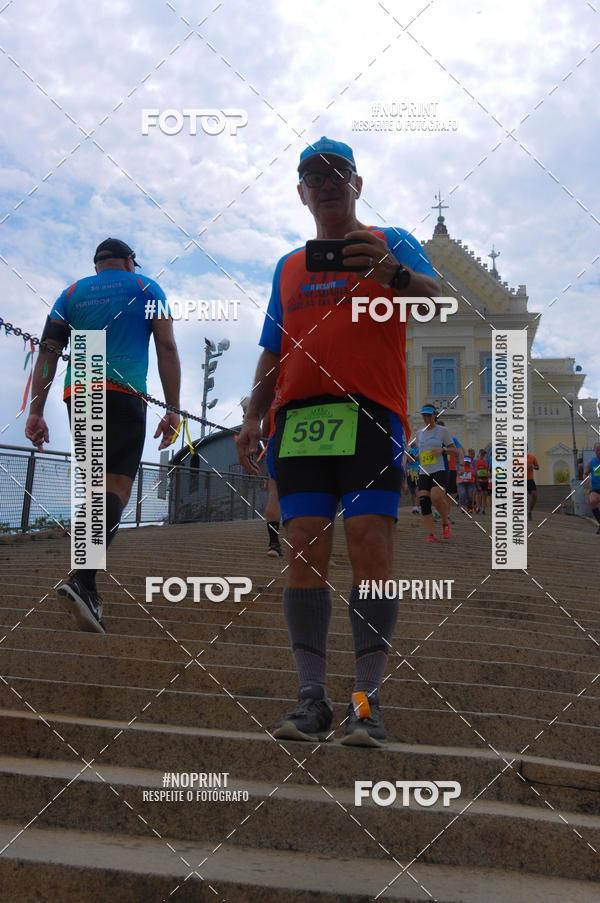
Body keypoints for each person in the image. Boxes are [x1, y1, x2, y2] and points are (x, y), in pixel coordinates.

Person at [236, 136, 440, 747]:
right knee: (302, 546)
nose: (326, 183)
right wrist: (253, 415)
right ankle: (310, 700)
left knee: (369, 541)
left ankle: (365, 703)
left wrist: (392, 274)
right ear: (300, 192)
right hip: (297, 422)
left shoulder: (392, 240)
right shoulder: (289, 266)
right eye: (312, 176)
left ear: (357, 183)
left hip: (372, 416)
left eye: (338, 173)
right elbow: (274, 349)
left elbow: (437, 306)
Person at [25, 238, 181, 633]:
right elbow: (165, 345)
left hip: (80, 390)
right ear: (130, 262)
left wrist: (36, 411)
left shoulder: (72, 293)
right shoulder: (146, 287)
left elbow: (47, 351)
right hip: (125, 392)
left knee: (95, 490)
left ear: (97, 266)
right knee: (114, 489)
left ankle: (85, 584)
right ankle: (83, 580)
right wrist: (173, 408)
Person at [415, 404, 456, 542]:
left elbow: (454, 450)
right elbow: (422, 452)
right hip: (424, 471)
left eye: (429, 415)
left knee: (436, 497)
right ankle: (431, 534)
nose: (426, 418)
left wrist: (442, 450)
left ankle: (445, 522)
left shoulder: (442, 431)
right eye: (424, 415)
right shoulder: (419, 433)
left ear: (435, 415)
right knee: (424, 501)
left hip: (440, 469)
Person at [584, 442, 600, 534]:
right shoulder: (592, 462)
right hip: (596, 488)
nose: (599, 452)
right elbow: (586, 472)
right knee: (592, 501)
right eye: (597, 450)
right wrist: (586, 479)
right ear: (595, 451)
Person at [404, 444, 420, 513]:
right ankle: (415, 507)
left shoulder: (409, 450)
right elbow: (410, 461)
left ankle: (415, 507)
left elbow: (409, 461)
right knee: (414, 491)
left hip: (414, 472)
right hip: (413, 472)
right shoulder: (411, 450)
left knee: (415, 490)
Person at [474, 449, 489, 514]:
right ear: (479, 454)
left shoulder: (486, 462)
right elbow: (474, 471)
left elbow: (488, 470)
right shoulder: (476, 462)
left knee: (484, 495)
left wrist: (488, 474)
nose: (483, 455)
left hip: (485, 480)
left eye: (484, 454)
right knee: (478, 495)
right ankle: (478, 508)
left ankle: (483, 509)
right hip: (478, 480)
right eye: (482, 454)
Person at [527, 448, 540, 520]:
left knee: (534, 495)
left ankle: (529, 511)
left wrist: (533, 467)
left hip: (530, 480)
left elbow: (538, 467)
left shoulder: (532, 457)